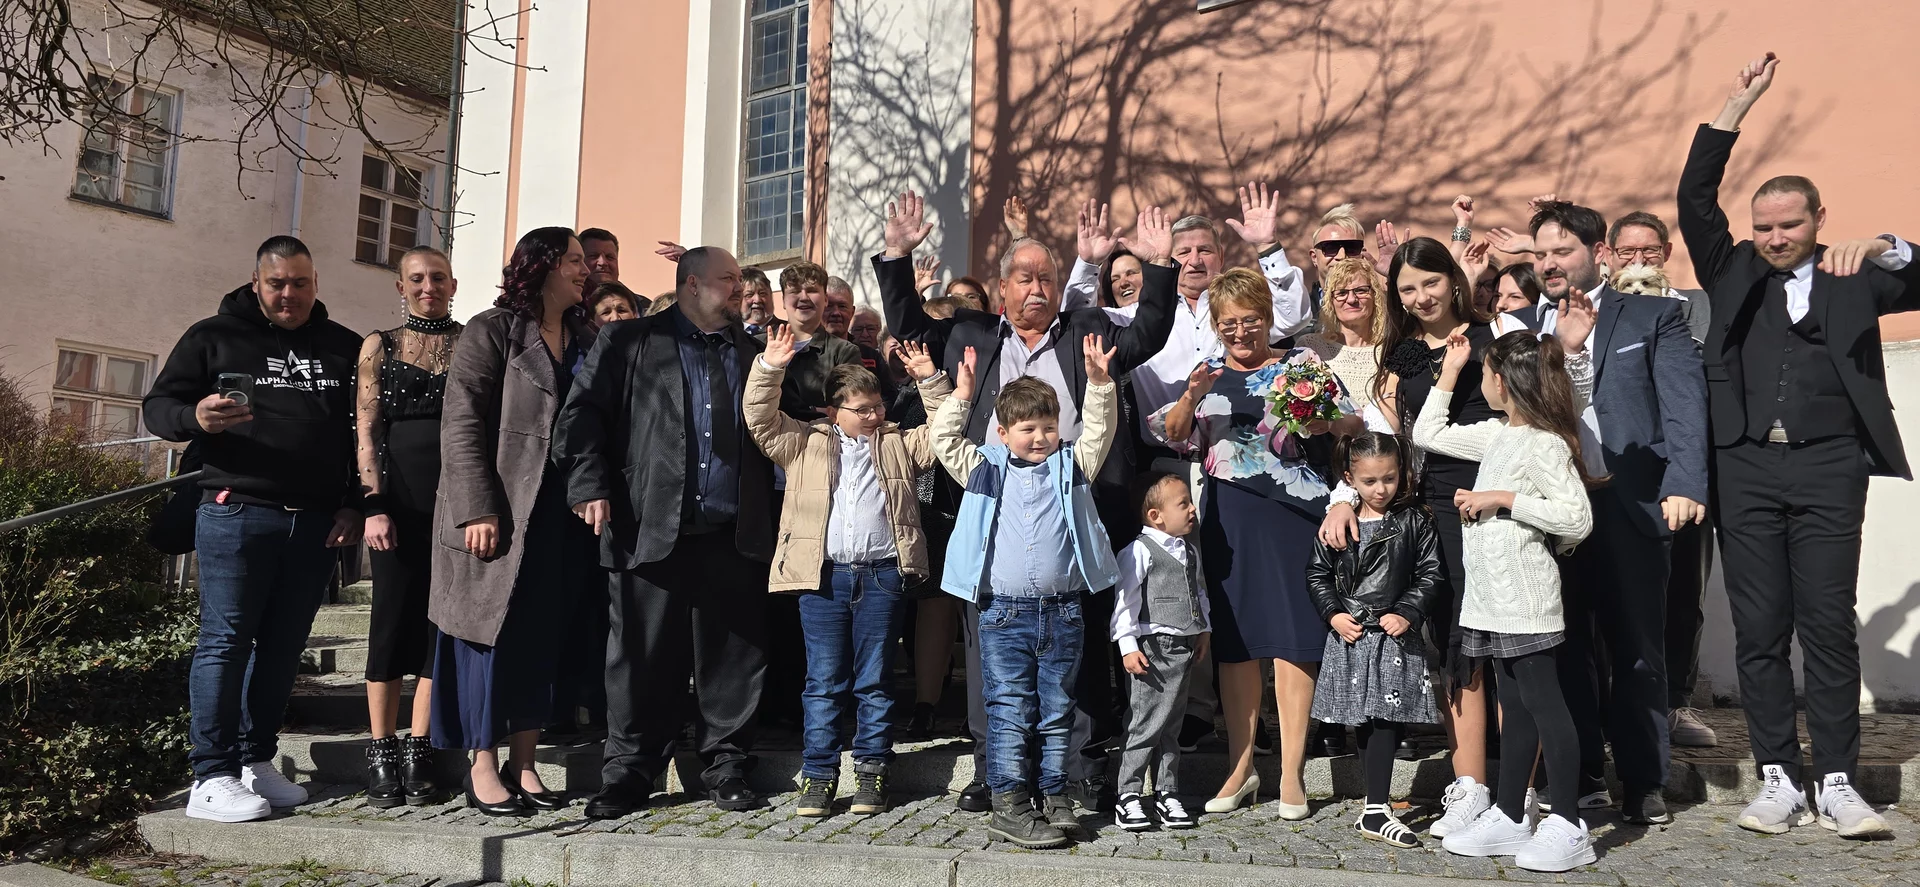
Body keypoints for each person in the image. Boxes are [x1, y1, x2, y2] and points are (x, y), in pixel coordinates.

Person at [877, 188, 1177, 815]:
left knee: (1081, 645)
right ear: (1003, 289)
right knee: (992, 651)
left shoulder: (1088, 327)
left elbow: (1148, 333)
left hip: (1076, 504)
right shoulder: (969, 333)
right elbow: (907, 327)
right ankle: (996, 771)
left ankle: (1082, 768)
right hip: (994, 513)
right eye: (1024, 278)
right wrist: (898, 257)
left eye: (1046, 277)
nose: (1037, 288)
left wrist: (1158, 267)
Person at [1678, 52, 1916, 840]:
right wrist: (1734, 107)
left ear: (1818, 218)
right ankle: (1779, 775)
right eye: (1765, 226)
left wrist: (1886, 244)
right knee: (1759, 628)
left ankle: (1839, 781)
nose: (1776, 237)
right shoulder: (1730, 269)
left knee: (1828, 622)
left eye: (1790, 224)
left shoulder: (1854, 272)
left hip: (1829, 464)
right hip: (1744, 464)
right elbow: (1694, 197)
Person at [145, 235, 366, 823]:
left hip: (315, 521)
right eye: (277, 284)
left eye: (300, 283)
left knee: (284, 647)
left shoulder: (343, 347)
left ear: (316, 283)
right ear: (256, 282)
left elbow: (362, 437)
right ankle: (210, 775)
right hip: (235, 510)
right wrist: (195, 416)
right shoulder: (214, 336)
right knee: (226, 641)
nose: (289, 294)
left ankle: (255, 761)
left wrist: (354, 504)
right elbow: (158, 407)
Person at [1322, 237, 1537, 837]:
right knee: (1457, 646)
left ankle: (1518, 792)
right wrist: (1344, 496)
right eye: (1407, 288)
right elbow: (1387, 438)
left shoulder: (1495, 335)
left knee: (1512, 642)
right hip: (1439, 508)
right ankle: (1470, 787)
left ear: (1454, 280)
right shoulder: (1404, 354)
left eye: (1431, 283)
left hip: (1503, 500)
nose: (1420, 297)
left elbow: (1531, 415)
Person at [559, 245, 776, 819]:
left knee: (733, 657)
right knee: (639, 657)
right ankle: (629, 773)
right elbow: (582, 415)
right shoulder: (628, 341)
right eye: (728, 279)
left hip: (734, 531)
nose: (741, 289)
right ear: (691, 284)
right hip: (647, 524)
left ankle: (727, 765)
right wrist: (588, 483)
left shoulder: (755, 351)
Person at [1149, 268, 1363, 823]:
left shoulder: (1302, 364)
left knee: (1294, 639)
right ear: (1216, 327)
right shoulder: (1208, 373)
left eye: (1250, 321)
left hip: (1296, 516)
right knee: (1237, 644)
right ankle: (1240, 766)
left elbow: (1351, 426)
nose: (1240, 332)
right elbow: (1173, 433)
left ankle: (1291, 772)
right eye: (1228, 324)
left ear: (1268, 318)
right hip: (1231, 518)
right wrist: (1191, 394)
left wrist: (1324, 422)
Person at [1531, 200, 1708, 826]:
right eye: (1541, 254)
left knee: (1637, 649)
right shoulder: (1519, 325)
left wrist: (1685, 482)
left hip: (1631, 505)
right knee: (1562, 646)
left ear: (1599, 253)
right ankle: (1580, 773)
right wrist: (1562, 352)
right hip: (1550, 509)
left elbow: (1684, 404)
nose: (1550, 264)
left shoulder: (1654, 315)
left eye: (1563, 251)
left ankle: (1642, 780)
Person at [744, 331, 954, 818]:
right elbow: (759, 418)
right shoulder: (803, 441)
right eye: (862, 409)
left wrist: (930, 381)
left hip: (883, 576)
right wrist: (770, 368)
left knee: (875, 679)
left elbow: (945, 431)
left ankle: (872, 769)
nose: (874, 415)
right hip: (823, 578)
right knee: (823, 680)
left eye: (877, 405)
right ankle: (819, 775)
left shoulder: (898, 442)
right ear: (833, 410)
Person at [427, 227, 595, 817]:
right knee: (486, 637)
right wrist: (476, 507)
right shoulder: (491, 330)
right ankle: (481, 765)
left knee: (541, 639)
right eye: (574, 260)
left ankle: (525, 764)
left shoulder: (584, 338)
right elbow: (461, 422)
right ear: (542, 266)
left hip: (560, 516)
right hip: (498, 512)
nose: (585, 269)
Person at [930, 336, 1122, 849]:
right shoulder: (984, 467)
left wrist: (1099, 385)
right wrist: (962, 396)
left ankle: (1055, 796)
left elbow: (1099, 430)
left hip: (1063, 612)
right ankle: (1010, 802)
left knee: (1058, 712)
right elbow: (943, 439)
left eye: (1049, 427)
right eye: (1028, 429)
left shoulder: (1072, 464)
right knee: (1010, 711)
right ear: (1003, 432)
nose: (1040, 438)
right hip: (1002, 614)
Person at [1415, 331, 1596, 873]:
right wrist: (1449, 373)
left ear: (1503, 381)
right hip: (1490, 599)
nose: (1483, 384)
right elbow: (1427, 433)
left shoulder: (1544, 443)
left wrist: (1504, 498)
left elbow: (1577, 518)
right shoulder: (1498, 435)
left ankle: (1569, 823)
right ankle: (1512, 813)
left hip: (1526, 598)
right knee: (1514, 707)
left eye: (1485, 374)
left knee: (1544, 704)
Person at [354, 246, 463, 808]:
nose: (428, 287)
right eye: (417, 279)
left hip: (455, 504)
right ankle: (381, 748)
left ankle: (420, 744)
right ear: (401, 286)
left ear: (453, 284)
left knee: (437, 624)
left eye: (438, 278)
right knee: (390, 622)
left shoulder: (470, 342)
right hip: (396, 506)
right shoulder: (381, 345)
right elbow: (367, 431)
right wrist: (373, 505)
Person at [1605, 211, 1718, 748]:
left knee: (1684, 592)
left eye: (1648, 250)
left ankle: (1676, 702)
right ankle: (1612, 706)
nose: (1638, 260)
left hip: (1680, 473)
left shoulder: (1698, 307)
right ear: (1608, 256)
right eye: (1627, 251)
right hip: (1616, 471)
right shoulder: (1596, 311)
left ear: (1667, 253)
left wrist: (1689, 475)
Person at [1306, 432, 1442, 847]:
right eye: (1370, 481)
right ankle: (1374, 807)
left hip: (1392, 635)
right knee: (1363, 718)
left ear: (1402, 473)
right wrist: (1333, 614)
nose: (1381, 489)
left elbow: (1431, 572)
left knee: (1386, 718)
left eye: (1389, 478)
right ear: (1350, 479)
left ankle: (1377, 808)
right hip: (1351, 634)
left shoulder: (1415, 520)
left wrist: (1408, 611)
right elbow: (1317, 573)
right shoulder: (1337, 522)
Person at [1108, 473, 1211, 832]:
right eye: (1183, 503)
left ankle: (1167, 791)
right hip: (1152, 649)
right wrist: (1127, 646)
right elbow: (1125, 602)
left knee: (1171, 725)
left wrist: (1203, 630)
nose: (1192, 509)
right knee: (1144, 723)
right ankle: (1128, 794)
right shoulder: (1139, 551)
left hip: (1184, 647)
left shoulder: (1189, 551)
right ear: (1156, 516)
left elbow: (1199, 593)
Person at [1297, 257, 1390, 430]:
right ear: (1330, 301)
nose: (1352, 299)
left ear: (1375, 295)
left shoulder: (1390, 349)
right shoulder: (1311, 347)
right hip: (1328, 444)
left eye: (1361, 290)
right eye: (1341, 293)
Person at [826, 276, 899, 403]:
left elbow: (889, 398)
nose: (836, 313)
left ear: (852, 311)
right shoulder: (805, 351)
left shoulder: (872, 356)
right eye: (829, 306)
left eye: (842, 306)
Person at [742, 267, 776, 336]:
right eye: (749, 295)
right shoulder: (727, 334)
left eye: (762, 293)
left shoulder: (788, 332)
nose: (757, 300)